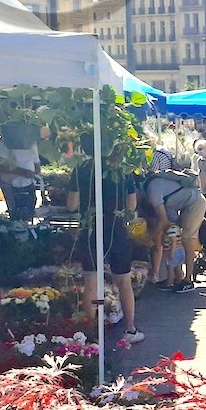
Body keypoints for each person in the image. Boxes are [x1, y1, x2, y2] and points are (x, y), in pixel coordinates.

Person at [67, 145, 144, 346]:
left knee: (91, 282)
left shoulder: (81, 168)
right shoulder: (122, 169)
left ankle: (91, 332)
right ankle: (130, 328)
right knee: (123, 281)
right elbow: (131, 204)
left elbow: (71, 204)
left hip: (90, 227)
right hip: (115, 229)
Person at [145, 168, 206, 292]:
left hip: (195, 203)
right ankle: (176, 278)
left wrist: (147, 239)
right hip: (187, 204)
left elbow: (162, 221)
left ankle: (188, 281)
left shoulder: (152, 191)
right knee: (174, 238)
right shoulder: (155, 184)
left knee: (186, 239)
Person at [0, 133, 41, 221]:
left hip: (28, 184)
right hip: (10, 185)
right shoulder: (5, 141)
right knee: (15, 213)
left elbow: (36, 163)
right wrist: (22, 172)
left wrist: (35, 172)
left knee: (29, 211)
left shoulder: (31, 142)